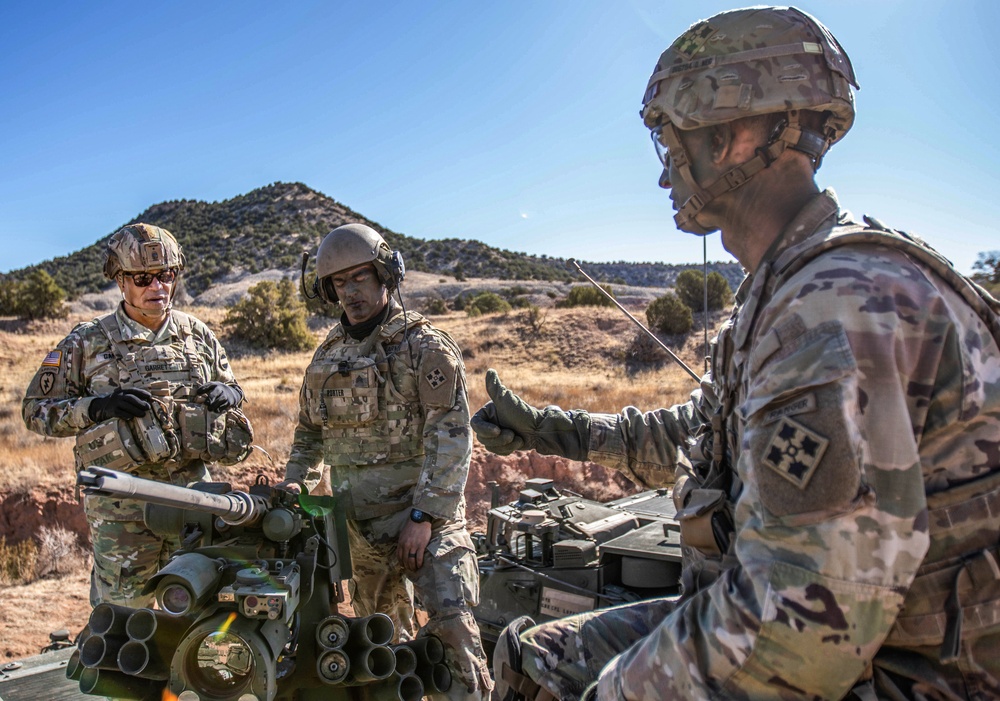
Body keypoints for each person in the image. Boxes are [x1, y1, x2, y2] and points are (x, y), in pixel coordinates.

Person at [472, 7, 1000, 700]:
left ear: (731, 134)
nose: (666, 175)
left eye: (671, 142)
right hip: (832, 642)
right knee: (534, 653)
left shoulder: (835, 302)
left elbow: (798, 628)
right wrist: (550, 430)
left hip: (896, 675)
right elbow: (695, 435)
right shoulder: (784, 289)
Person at [278, 223, 493, 700]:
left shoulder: (425, 347)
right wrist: (294, 485)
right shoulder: (327, 357)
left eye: (359, 277)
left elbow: (452, 436)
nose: (350, 292)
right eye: (339, 282)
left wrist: (424, 515)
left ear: (385, 274)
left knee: (454, 638)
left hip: (426, 524)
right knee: (384, 659)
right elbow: (310, 436)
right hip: (361, 532)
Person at [23, 223, 252, 608]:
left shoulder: (197, 335)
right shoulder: (85, 341)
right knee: (126, 620)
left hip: (193, 504)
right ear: (120, 280)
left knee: (197, 613)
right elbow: (35, 411)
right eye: (143, 278)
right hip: (122, 512)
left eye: (166, 276)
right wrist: (96, 407)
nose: (157, 287)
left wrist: (231, 393)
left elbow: (232, 389)